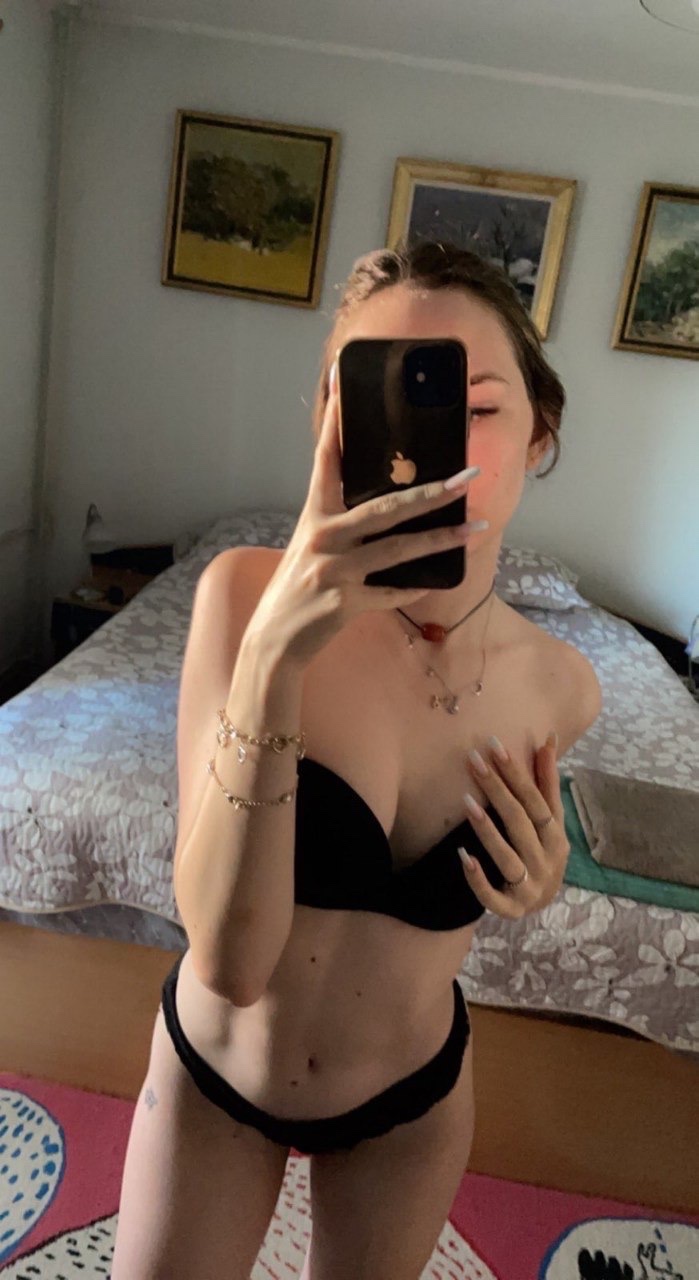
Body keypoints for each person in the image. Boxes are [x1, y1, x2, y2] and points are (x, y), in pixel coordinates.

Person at [111, 239, 601, 1280]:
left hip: (411, 1106)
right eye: (383, 399)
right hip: (217, 1081)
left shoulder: (564, 686)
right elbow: (229, 961)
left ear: (539, 434)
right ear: (333, 427)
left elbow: (500, 874)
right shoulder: (240, 596)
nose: (436, 445)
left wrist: (541, 881)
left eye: (477, 405)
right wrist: (274, 657)